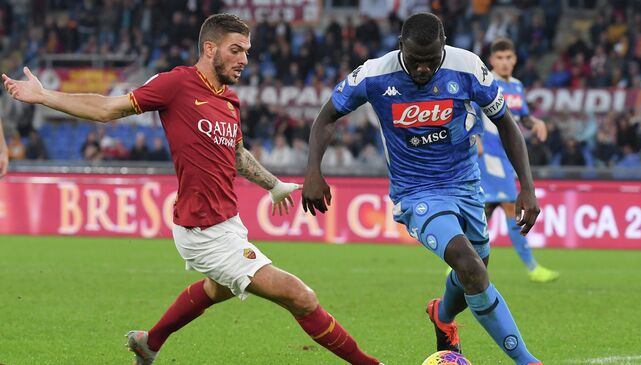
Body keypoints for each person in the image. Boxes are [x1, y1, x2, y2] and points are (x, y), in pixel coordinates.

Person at [3, 13, 382, 365]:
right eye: (236, 50)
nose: (244, 60)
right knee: (300, 296)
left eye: (248, 52)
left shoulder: (229, 100)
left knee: (215, 290)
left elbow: (235, 154)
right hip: (202, 230)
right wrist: (45, 95)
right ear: (210, 48)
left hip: (227, 221)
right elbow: (107, 109)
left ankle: (149, 341)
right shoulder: (176, 84)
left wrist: (274, 184)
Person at [302, 13, 542, 365]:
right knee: (469, 265)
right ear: (401, 46)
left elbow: (506, 123)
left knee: (476, 269)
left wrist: (527, 186)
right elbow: (326, 117)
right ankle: (526, 360)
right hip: (416, 192)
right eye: (416, 61)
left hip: (465, 183)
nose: (424, 69)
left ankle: (442, 316)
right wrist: (313, 171)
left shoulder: (468, 67)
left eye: (432, 60)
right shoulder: (374, 74)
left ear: (443, 47)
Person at [478, 38, 559, 283]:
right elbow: (468, 110)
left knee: (485, 212)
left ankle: (459, 262)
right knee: (511, 208)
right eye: (499, 58)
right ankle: (533, 268)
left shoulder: (516, 87)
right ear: (492, 60)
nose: (504, 63)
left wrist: (536, 123)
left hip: (507, 157)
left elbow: (522, 118)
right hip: (489, 156)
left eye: (508, 58)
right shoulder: (485, 82)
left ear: (514, 59)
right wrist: (474, 137)